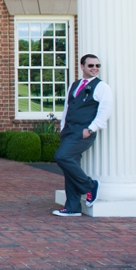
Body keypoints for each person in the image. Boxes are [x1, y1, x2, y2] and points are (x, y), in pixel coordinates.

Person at [52, 54, 112, 216]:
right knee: (71, 168)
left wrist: (91, 129)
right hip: (69, 131)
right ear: (82, 66)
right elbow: (67, 108)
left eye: (97, 66)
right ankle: (72, 207)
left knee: (61, 157)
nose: (95, 69)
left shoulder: (102, 87)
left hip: (83, 132)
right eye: (91, 65)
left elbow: (104, 111)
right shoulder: (75, 85)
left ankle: (89, 185)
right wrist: (63, 127)